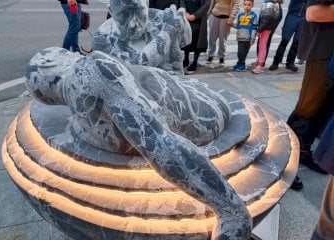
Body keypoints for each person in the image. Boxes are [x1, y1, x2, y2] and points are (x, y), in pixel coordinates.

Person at [25, 46, 253, 240]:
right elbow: (159, 143)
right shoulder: (88, 70)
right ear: (48, 63)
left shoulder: (80, 120)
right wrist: (229, 209)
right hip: (207, 114)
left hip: (190, 109)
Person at [287, 0, 334, 190]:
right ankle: (285, 160)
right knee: (308, 108)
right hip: (323, 50)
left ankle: (304, 151)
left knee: (325, 110)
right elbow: (313, 13)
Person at [93, 0, 191, 75]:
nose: (132, 24)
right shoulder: (103, 37)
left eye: (139, 12)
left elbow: (187, 37)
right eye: (124, 14)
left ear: (147, 4)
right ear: (111, 11)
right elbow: (132, 72)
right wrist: (168, 33)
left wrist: (181, 22)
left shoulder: (163, 19)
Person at [269, 0, 307, 72]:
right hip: (292, 16)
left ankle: (290, 63)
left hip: (304, 18)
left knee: (297, 41)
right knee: (285, 40)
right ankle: (276, 62)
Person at [206, 0, 240, 67]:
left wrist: (231, 19)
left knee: (223, 39)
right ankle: (210, 55)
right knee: (211, 38)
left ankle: (221, 57)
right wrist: (208, 14)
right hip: (214, 15)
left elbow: (236, 5)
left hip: (226, 18)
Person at [182, 0, 211, 74]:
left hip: (199, 19)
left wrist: (195, 15)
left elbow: (207, 5)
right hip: (187, 17)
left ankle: (195, 61)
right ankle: (186, 58)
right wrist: (185, 12)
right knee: (186, 39)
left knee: (197, 40)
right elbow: (182, 2)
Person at [252, 0, 280, 74]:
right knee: (261, 45)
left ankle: (260, 65)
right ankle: (258, 62)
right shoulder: (271, 3)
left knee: (262, 46)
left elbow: (266, 18)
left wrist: (259, 30)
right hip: (266, 27)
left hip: (265, 28)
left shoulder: (270, 4)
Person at [232, 0, 258, 72]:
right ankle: (239, 63)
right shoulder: (240, 15)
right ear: (243, 5)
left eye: (249, 5)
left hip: (248, 38)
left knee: (243, 52)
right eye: (245, 4)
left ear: (252, 5)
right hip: (240, 37)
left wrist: (252, 39)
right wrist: (231, 24)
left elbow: (254, 28)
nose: (247, 6)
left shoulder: (254, 15)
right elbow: (237, 25)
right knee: (239, 52)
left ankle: (242, 65)